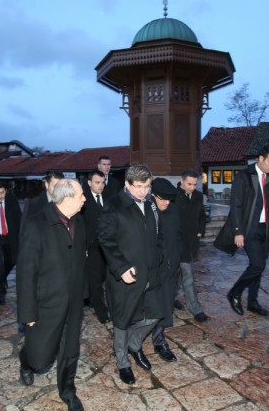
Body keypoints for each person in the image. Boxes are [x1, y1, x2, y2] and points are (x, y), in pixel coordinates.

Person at [17, 179, 86, 411]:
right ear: (66, 199)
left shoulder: (80, 222)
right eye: (80, 195)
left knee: (70, 350)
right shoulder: (36, 226)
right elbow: (26, 273)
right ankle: (26, 359)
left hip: (73, 301)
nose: (84, 199)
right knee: (40, 358)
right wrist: (28, 311)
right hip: (46, 303)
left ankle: (68, 391)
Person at [98, 165, 163, 385]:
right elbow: (106, 240)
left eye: (147, 186)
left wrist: (159, 257)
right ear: (127, 184)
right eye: (139, 187)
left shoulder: (151, 202)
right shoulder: (114, 206)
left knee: (156, 312)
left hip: (151, 272)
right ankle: (123, 361)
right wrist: (121, 267)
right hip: (125, 274)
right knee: (122, 321)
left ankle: (134, 345)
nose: (144, 192)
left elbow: (157, 233)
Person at [216, 145, 269, 316]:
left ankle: (253, 302)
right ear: (260, 158)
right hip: (249, 228)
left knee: (258, 266)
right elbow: (235, 206)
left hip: (264, 230)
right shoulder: (243, 177)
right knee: (258, 264)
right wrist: (238, 231)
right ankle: (235, 292)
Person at [147, 177, 182, 362]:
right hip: (152, 269)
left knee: (165, 304)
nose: (166, 203)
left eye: (169, 199)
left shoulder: (173, 209)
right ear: (153, 195)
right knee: (151, 306)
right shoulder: (146, 210)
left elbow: (177, 235)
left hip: (170, 266)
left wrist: (178, 260)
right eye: (163, 199)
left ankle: (159, 341)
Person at [175, 169, 210, 323]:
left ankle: (194, 309)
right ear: (182, 181)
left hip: (191, 244)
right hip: (175, 244)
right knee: (178, 276)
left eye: (195, 184)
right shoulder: (173, 196)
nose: (192, 187)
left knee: (186, 276)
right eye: (189, 184)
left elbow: (202, 215)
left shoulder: (198, 196)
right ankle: (174, 301)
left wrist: (200, 231)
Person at [82, 169, 110, 323]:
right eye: (97, 183)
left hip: (108, 246)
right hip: (91, 248)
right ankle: (102, 312)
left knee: (108, 278)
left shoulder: (108, 197)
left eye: (103, 182)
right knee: (96, 281)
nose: (100, 186)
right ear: (89, 183)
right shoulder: (83, 200)